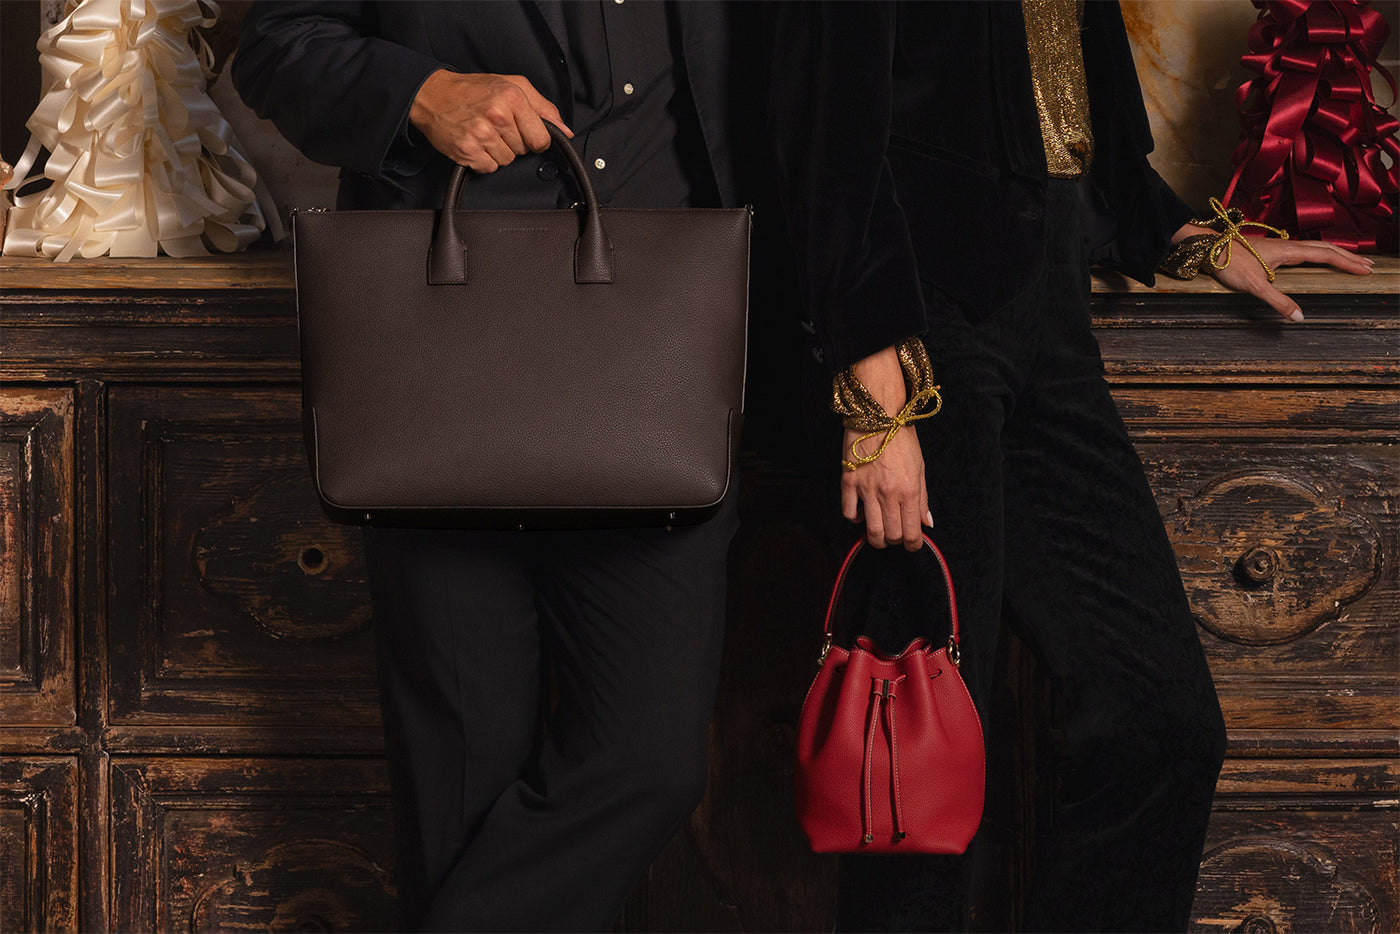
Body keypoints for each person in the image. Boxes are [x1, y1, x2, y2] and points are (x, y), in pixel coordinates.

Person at [767, 2, 1374, 932]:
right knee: (923, 761)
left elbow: (1062, 103)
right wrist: (874, 383)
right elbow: (826, 118)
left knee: (1162, 723)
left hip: (1048, 315)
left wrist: (1185, 234)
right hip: (919, 324)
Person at [232, 4, 767, 930]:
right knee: (461, 798)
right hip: (444, 371)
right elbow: (278, 45)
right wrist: (422, 94)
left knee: (649, 765)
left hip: (662, 370)